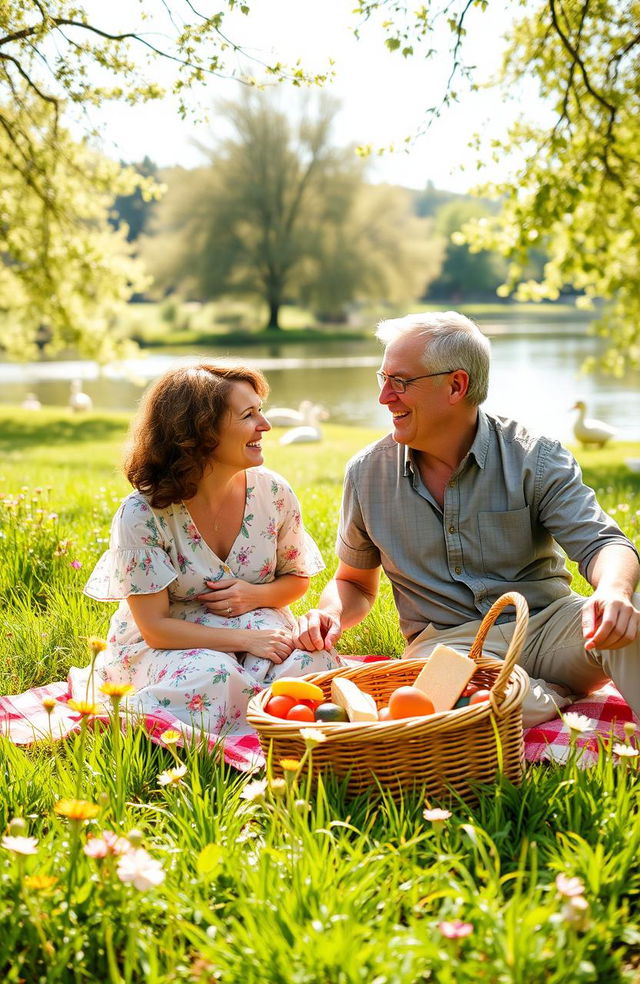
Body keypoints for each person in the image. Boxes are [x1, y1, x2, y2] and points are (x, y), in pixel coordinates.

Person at [294, 311, 640, 726]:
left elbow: (604, 544)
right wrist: (330, 613)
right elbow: (353, 581)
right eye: (382, 379)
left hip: (549, 626)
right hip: (449, 646)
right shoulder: (367, 473)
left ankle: (531, 692)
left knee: (635, 608)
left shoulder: (534, 457)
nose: (385, 397)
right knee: (459, 706)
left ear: (456, 385)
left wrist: (616, 593)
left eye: (400, 382)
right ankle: (544, 696)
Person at [71, 363, 341, 741]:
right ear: (198, 432)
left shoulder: (274, 493)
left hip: (257, 622)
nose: (265, 425)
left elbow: (296, 579)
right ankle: (252, 728)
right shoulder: (142, 513)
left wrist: (255, 596)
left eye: (261, 410)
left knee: (311, 661)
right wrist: (246, 643)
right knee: (212, 676)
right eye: (249, 415)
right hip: (176, 640)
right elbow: (156, 629)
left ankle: (249, 719)